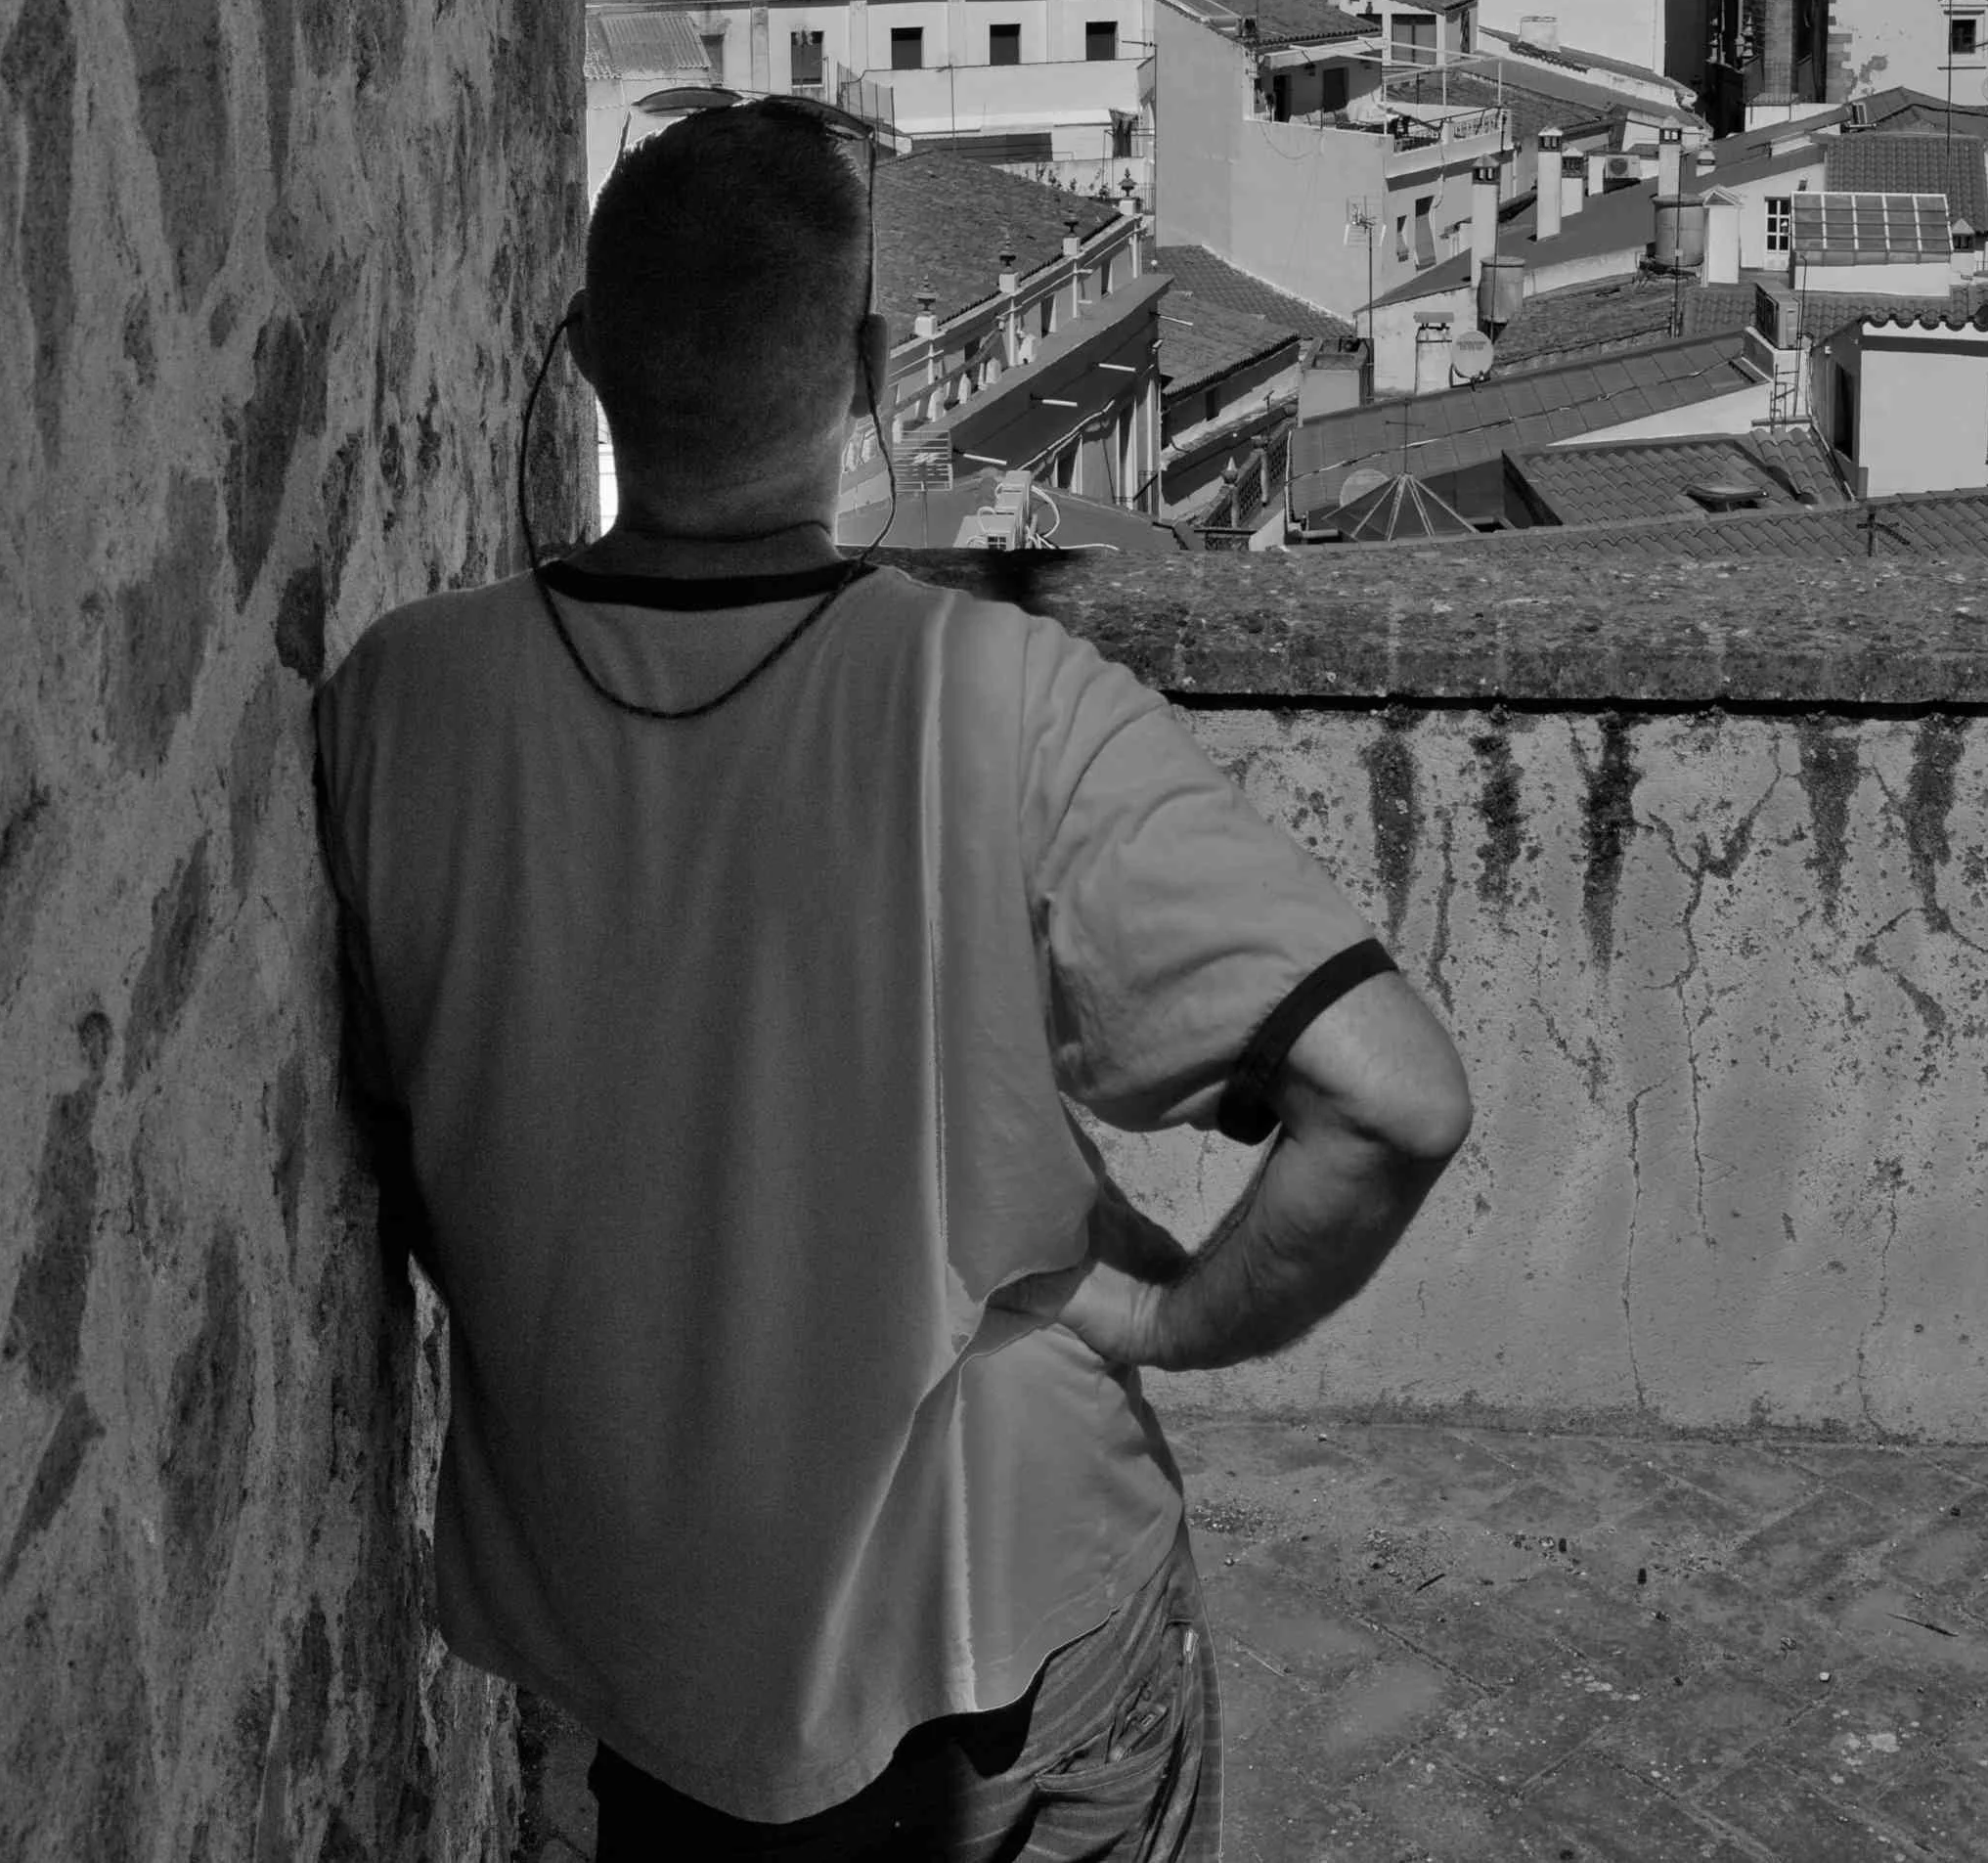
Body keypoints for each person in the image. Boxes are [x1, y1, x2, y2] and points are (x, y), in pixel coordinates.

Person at [311, 101, 1472, 1857]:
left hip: (644, 1643)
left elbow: (415, 1144)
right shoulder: (997, 702)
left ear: (584, 360)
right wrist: (1173, 1322)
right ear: (866, 374)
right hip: (1006, 1610)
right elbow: (1393, 1093)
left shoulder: (399, 708)